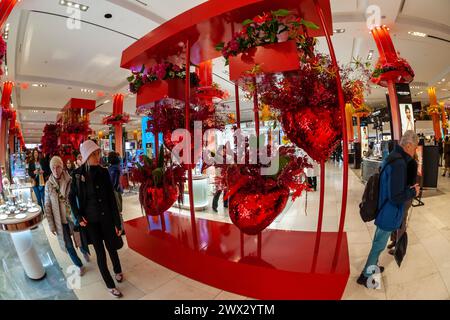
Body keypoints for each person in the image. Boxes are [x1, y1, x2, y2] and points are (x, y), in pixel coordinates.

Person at [357, 130, 420, 288]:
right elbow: (396, 196)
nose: (415, 151)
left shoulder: (393, 156)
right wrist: (413, 191)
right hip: (389, 211)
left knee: (378, 241)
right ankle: (366, 276)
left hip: (384, 207)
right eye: (415, 147)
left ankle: (372, 268)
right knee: (379, 244)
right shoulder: (399, 163)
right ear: (409, 145)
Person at [69, 140, 124, 298]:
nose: (98, 156)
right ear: (87, 155)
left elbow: (111, 199)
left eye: (98, 153)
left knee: (112, 247)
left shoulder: (103, 172)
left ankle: (117, 270)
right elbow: (71, 198)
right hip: (90, 222)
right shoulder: (78, 174)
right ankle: (110, 285)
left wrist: (116, 222)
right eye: (94, 154)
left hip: (106, 218)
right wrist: (78, 216)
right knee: (100, 253)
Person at [44, 156, 89, 275]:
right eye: (53, 167)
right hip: (60, 220)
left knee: (79, 238)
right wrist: (51, 225)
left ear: (62, 167)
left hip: (72, 217)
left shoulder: (70, 180)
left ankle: (84, 251)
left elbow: (78, 198)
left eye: (58, 166)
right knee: (68, 244)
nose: (55, 170)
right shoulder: (48, 185)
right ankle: (79, 265)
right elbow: (47, 206)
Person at [107, 152, 124, 224]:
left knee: (116, 209)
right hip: (118, 189)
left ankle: (120, 227)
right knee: (118, 209)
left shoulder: (113, 169)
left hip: (114, 191)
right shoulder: (117, 167)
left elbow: (113, 182)